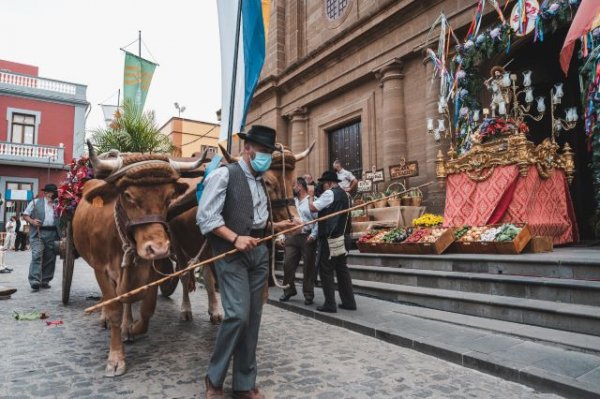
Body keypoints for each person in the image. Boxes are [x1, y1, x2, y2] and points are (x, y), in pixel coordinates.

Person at [197, 125, 298, 399]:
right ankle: (213, 378)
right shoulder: (224, 175)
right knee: (237, 315)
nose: (265, 157)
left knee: (252, 320)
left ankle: (244, 384)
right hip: (231, 254)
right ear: (247, 148)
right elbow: (206, 217)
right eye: (262, 151)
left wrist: (280, 225)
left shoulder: (263, 182)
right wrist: (234, 239)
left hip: (259, 254)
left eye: (268, 152)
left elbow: (258, 222)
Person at [308, 170, 357, 313]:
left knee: (326, 271)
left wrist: (311, 196)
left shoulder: (330, 193)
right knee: (342, 270)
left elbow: (313, 208)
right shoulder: (346, 195)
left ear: (329, 183)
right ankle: (349, 302)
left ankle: (330, 304)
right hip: (344, 236)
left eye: (323, 184)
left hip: (330, 238)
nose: (322, 186)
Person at [279, 177, 318, 306]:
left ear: (300, 186)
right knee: (287, 264)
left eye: (294, 185)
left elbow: (318, 220)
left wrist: (313, 234)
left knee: (308, 267)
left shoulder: (312, 201)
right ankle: (289, 290)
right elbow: (287, 220)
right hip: (292, 237)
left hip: (307, 237)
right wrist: (283, 236)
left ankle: (308, 294)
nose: (293, 188)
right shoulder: (292, 202)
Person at [22, 184, 60, 292]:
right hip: (38, 233)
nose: (55, 194)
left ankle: (45, 280)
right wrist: (32, 221)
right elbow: (25, 215)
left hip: (53, 233)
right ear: (47, 193)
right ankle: (34, 280)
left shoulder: (58, 204)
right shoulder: (36, 202)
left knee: (50, 258)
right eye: (53, 192)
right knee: (37, 255)